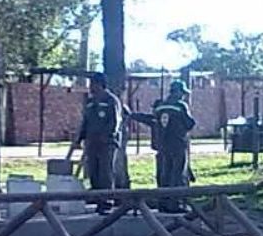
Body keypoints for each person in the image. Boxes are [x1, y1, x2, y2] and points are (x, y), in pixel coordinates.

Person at [131, 80, 196, 212]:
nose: (183, 96)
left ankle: (163, 203)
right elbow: (190, 124)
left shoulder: (160, 107)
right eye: (182, 93)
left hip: (163, 146)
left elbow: (153, 120)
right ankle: (175, 204)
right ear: (177, 92)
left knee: (164, 174)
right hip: (177, 144)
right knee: (177, 175)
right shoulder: (180, 106)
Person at [77, 73, 121, 214]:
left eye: (93, 84)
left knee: (105, 172)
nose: (90, 87)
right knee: (93, 172)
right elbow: (85, 122)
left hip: (106, 143)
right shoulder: (90, 102)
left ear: (100, 84)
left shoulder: (111, 100)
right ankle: (97, 198)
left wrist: (108, 136)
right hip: (91, 142)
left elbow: (115, 121)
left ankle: (106, 201)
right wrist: (80, 139)